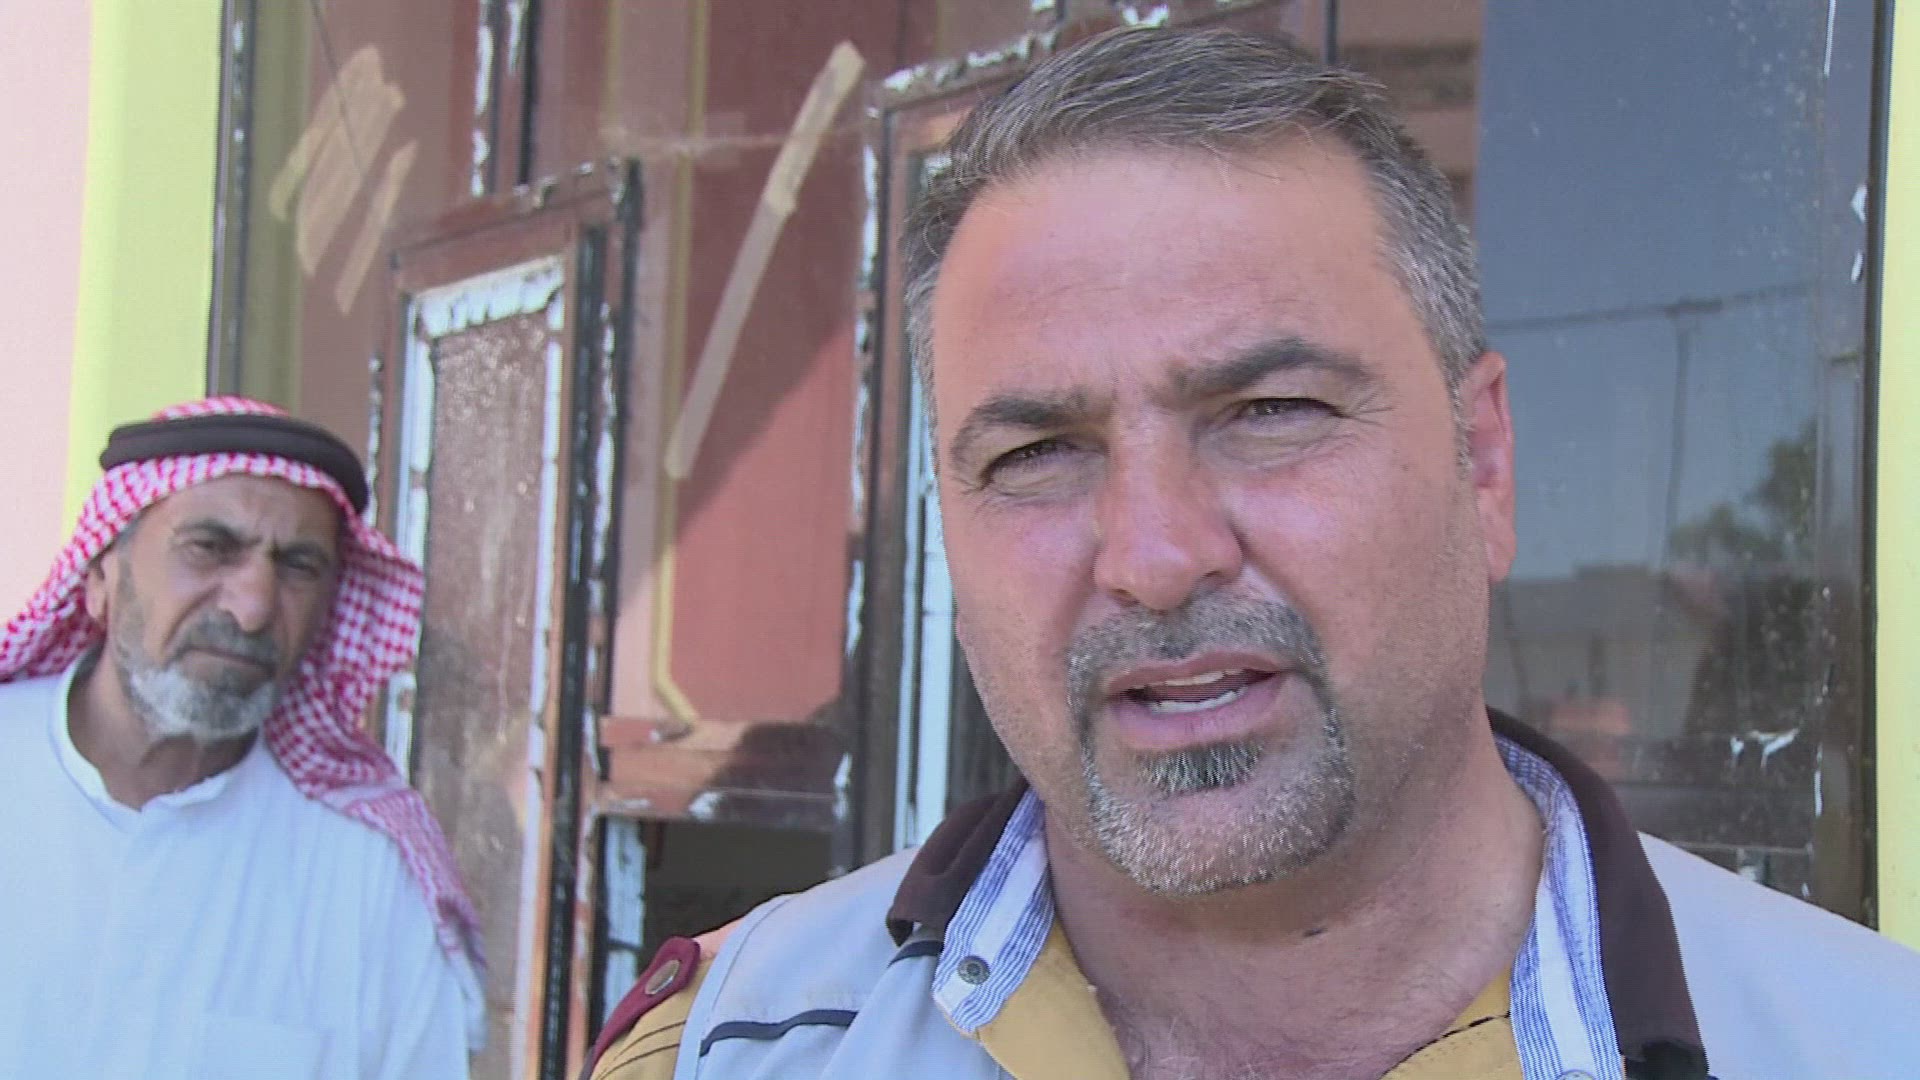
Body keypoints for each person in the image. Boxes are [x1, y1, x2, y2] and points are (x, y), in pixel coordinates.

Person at [585, 27, 1920, 1080]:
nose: (1155, 556)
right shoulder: (732, 1048)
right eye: (1037, 452)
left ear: (1484, 463)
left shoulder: (1861, 1043)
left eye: (1271, 414)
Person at [0, 397, 483, 1079]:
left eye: (298, 567)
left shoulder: (369, 880)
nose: (253, 607)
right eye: (209, 548)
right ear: (102, 576)